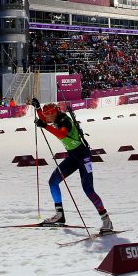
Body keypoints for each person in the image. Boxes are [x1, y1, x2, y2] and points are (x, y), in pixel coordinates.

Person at [31, 98, 113, 233]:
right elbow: (45, 120)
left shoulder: (64, 121)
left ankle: (106, 221)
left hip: (83, 156)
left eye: (48, 115)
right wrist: (38, 108)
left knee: (88, 190)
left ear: (54, 113)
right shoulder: (55, 117)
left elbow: (62, 134)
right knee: (53, 182)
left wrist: (44, 126)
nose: (46, 118)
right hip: (73, 157)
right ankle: (60, 215)